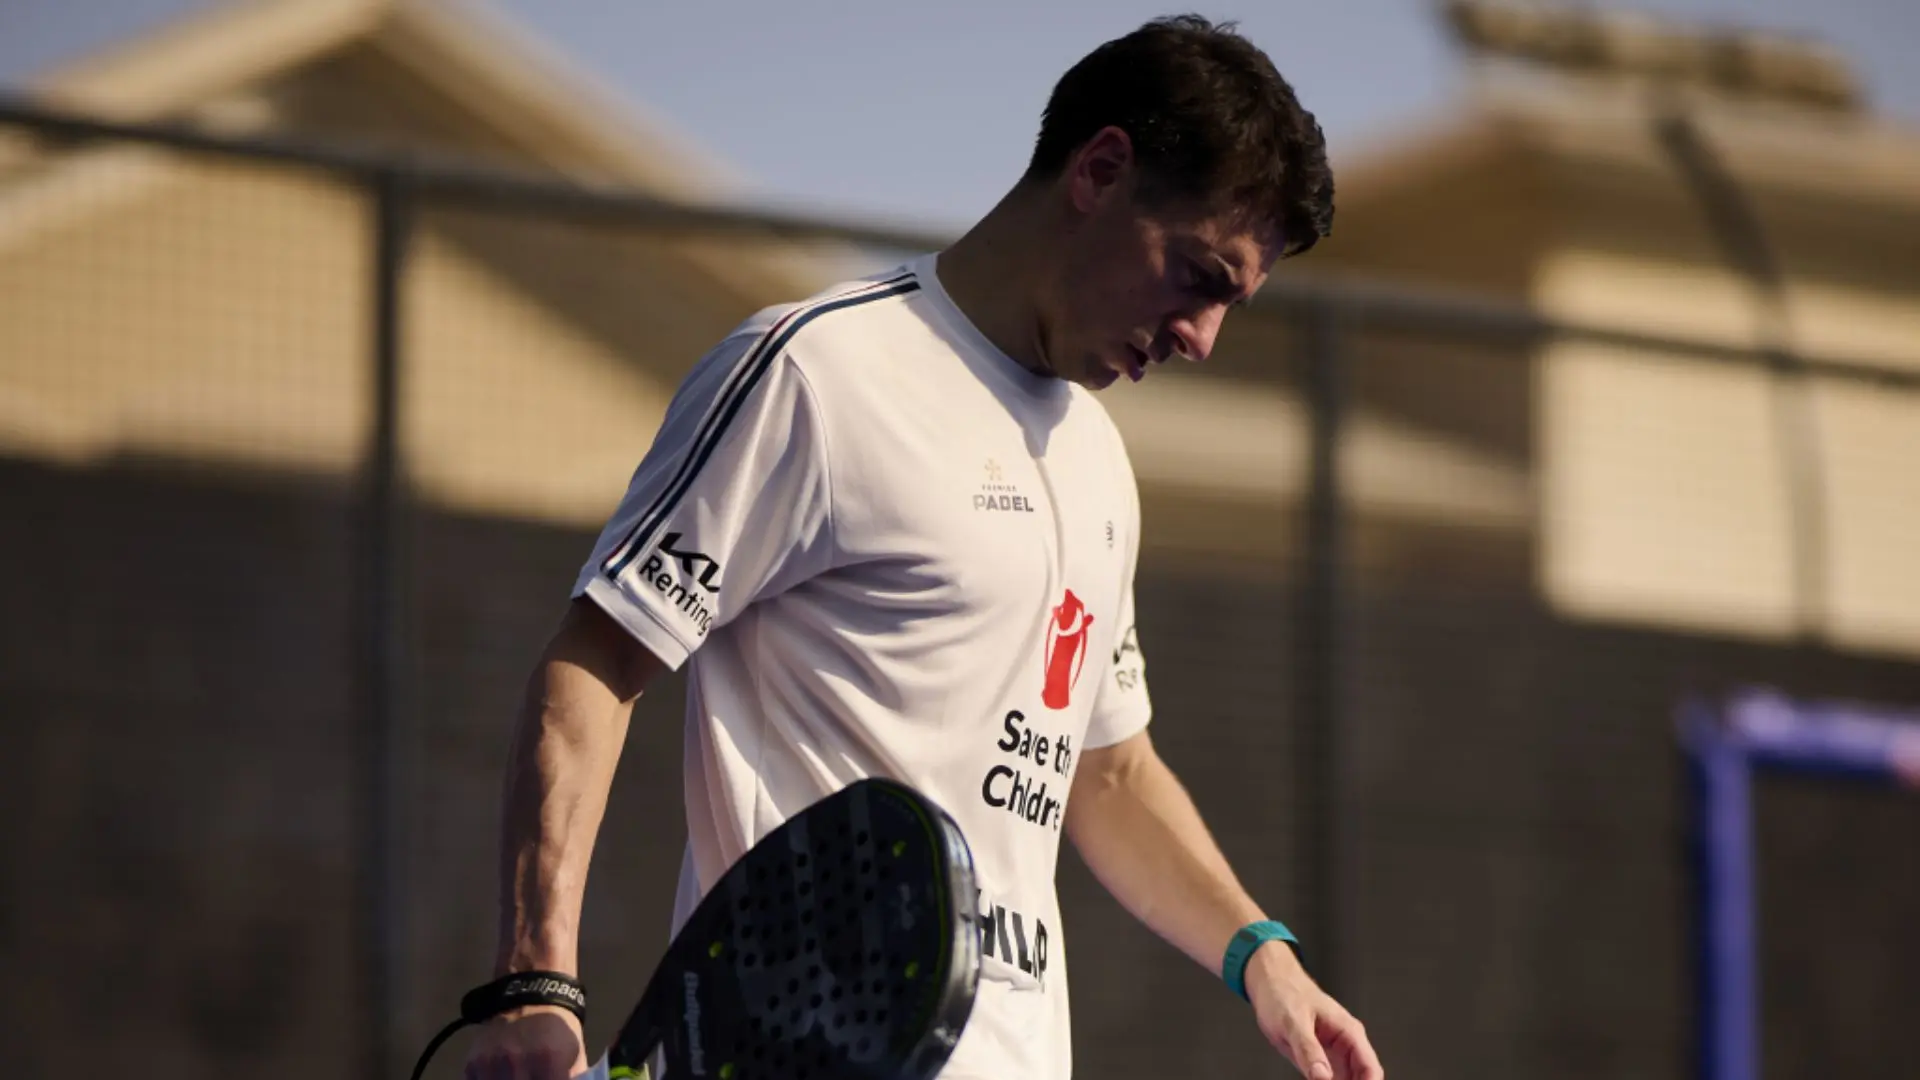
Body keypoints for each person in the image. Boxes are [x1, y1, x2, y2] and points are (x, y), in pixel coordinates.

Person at [464, 13, 1381, 1080]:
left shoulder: (1098, 461)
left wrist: (1262, 958)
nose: (1202, 338)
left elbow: (1107, 773)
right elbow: (596, 663)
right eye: (1198, 276)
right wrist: (536, 978)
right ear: (1101, 169)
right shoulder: (816, 374)